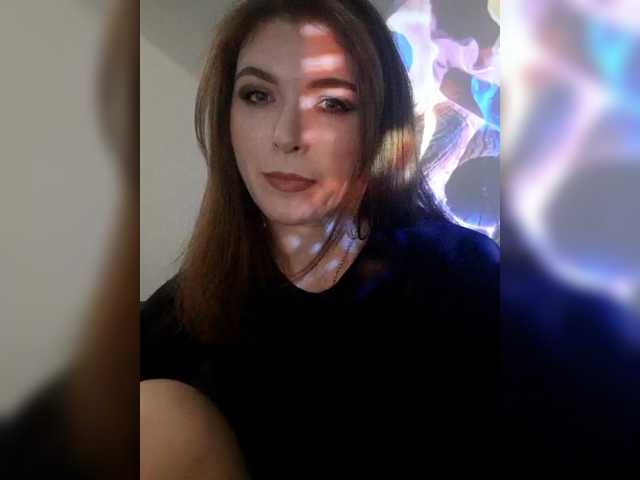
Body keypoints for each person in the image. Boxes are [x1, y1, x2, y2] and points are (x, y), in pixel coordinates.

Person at [140, 0, 499, 478]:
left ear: (379, 127)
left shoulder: (461, 277)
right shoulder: (184, 311)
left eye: (332, 103)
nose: (286, 136)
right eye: (257, 95)